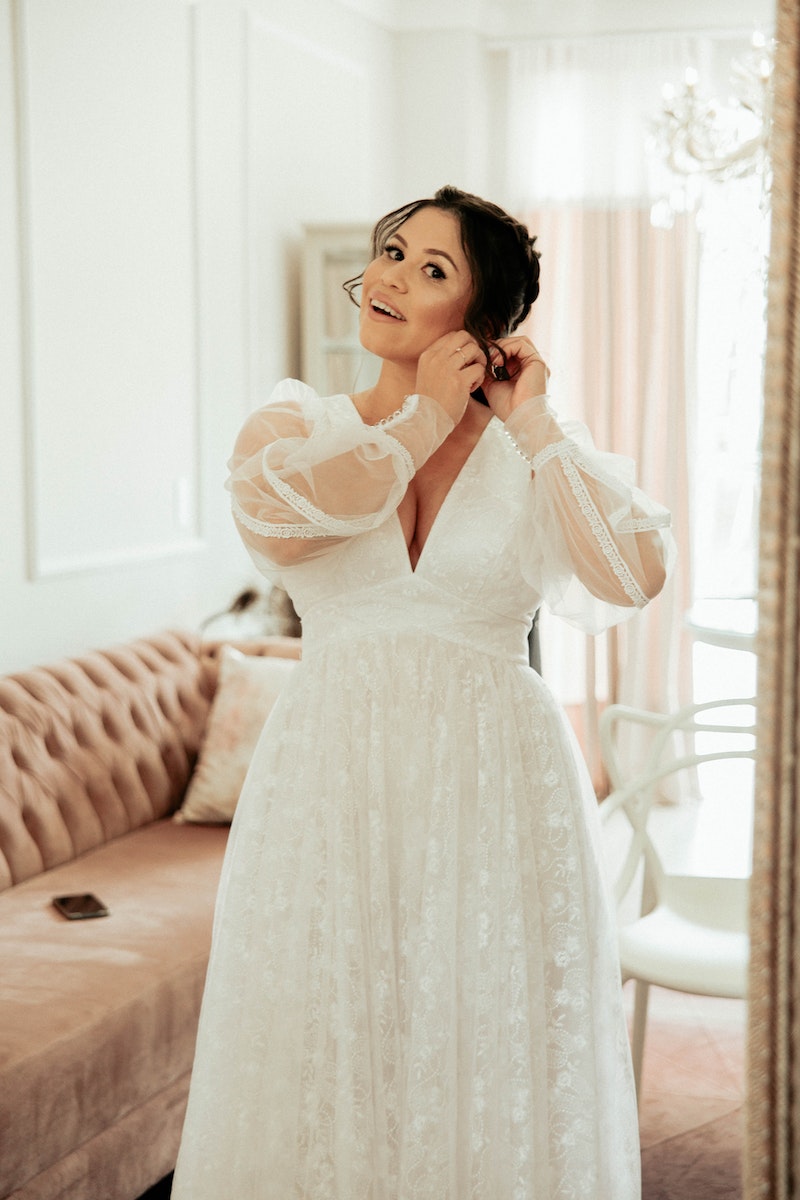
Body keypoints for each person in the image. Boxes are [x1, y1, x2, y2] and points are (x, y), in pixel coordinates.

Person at [172, 185, 674, 1199]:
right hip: (328, 777)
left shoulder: (533, 456)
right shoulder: (295, 421)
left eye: (431, 269)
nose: (392, 276)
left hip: (495, 787)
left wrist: (530, 423)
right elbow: (277, 525)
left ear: (481, 324)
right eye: (391, 253)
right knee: (323, 1027)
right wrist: (420, 419)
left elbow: (631, 576)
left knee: (485, 1031)